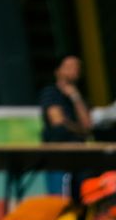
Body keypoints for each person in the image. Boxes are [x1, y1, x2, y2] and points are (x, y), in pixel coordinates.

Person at [38, 54, 92, 195]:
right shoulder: (51, 92)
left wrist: (75, 97)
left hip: (80, 155)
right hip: (59, 156)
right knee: (60, 199)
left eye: (77, 67)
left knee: (82, 197)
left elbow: (87, 126)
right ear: (58, 71)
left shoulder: (80, 96)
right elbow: (58, 122)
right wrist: (80, 129)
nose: (74, 70)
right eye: (69, 67)